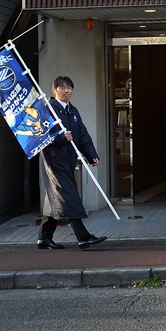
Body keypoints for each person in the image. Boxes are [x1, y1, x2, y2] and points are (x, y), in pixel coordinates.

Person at [37, 76, 107, 250]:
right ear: (54, 90)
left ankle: (44, 238)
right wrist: (61, 138)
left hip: (68, 161)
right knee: (69, 196)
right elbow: (40, 136)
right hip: (54, 162)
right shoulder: (47, 110)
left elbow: (82, 134)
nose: (66, 90)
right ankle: (83, 237)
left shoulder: (72, 111)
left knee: (54, 198)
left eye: (69, 87)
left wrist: (91, 155)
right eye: (62, 87)